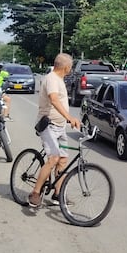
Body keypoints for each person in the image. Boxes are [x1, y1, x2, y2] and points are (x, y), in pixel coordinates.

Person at [27, 53, 81, 208]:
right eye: (70, 66)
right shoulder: (51, 79)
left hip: (60, 126)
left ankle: (58, 194)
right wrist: (69, 117)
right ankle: (35, 193)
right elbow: (54, 99)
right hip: (48, 125)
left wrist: (68, 120)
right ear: (67, 67)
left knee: (63, 160)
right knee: (54, 158)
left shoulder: (60, 79)